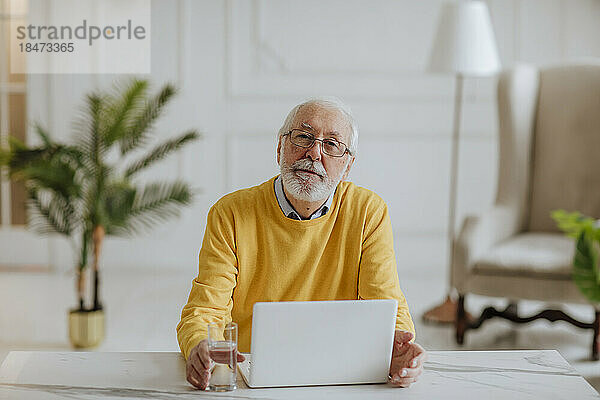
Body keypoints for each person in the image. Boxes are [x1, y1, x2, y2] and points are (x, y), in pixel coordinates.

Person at [177, 98, 427, 389]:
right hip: (249, 376)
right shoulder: (230, 212)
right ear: (280, 147)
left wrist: (397, 348)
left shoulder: (368, 211)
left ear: (347, 166)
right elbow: (205, 310)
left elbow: (387, 304)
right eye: (304, 137)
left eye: (331, 145)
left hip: (340, 375)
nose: (314, 153)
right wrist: (201, 345)